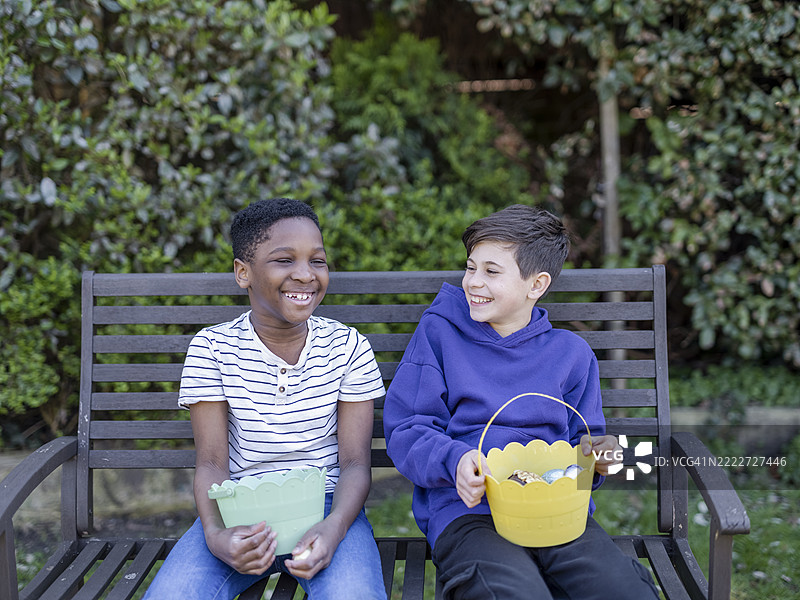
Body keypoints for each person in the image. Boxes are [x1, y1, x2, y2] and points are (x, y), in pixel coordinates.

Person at [383, 204, 659, 599]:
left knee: (625, 591)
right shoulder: (439, 334)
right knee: (512, 592)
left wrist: (598, 457)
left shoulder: (572, 354)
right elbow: (408, 427)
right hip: (470, 513)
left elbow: (587, 446)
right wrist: (455, 460)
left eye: (491, 272)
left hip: (557, 513)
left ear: (536, 284)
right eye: (470, 267)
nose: (473, 282)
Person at [144, 198, 387, 599]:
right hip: (240, 509)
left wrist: (336, 526)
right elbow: (210, 463)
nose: (305, 275)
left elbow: (355, 463)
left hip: (328, 507)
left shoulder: (348, 347)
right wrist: (216, 535)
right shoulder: (212, 348)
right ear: (244, 273)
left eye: (318, 260)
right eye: (284, 260)